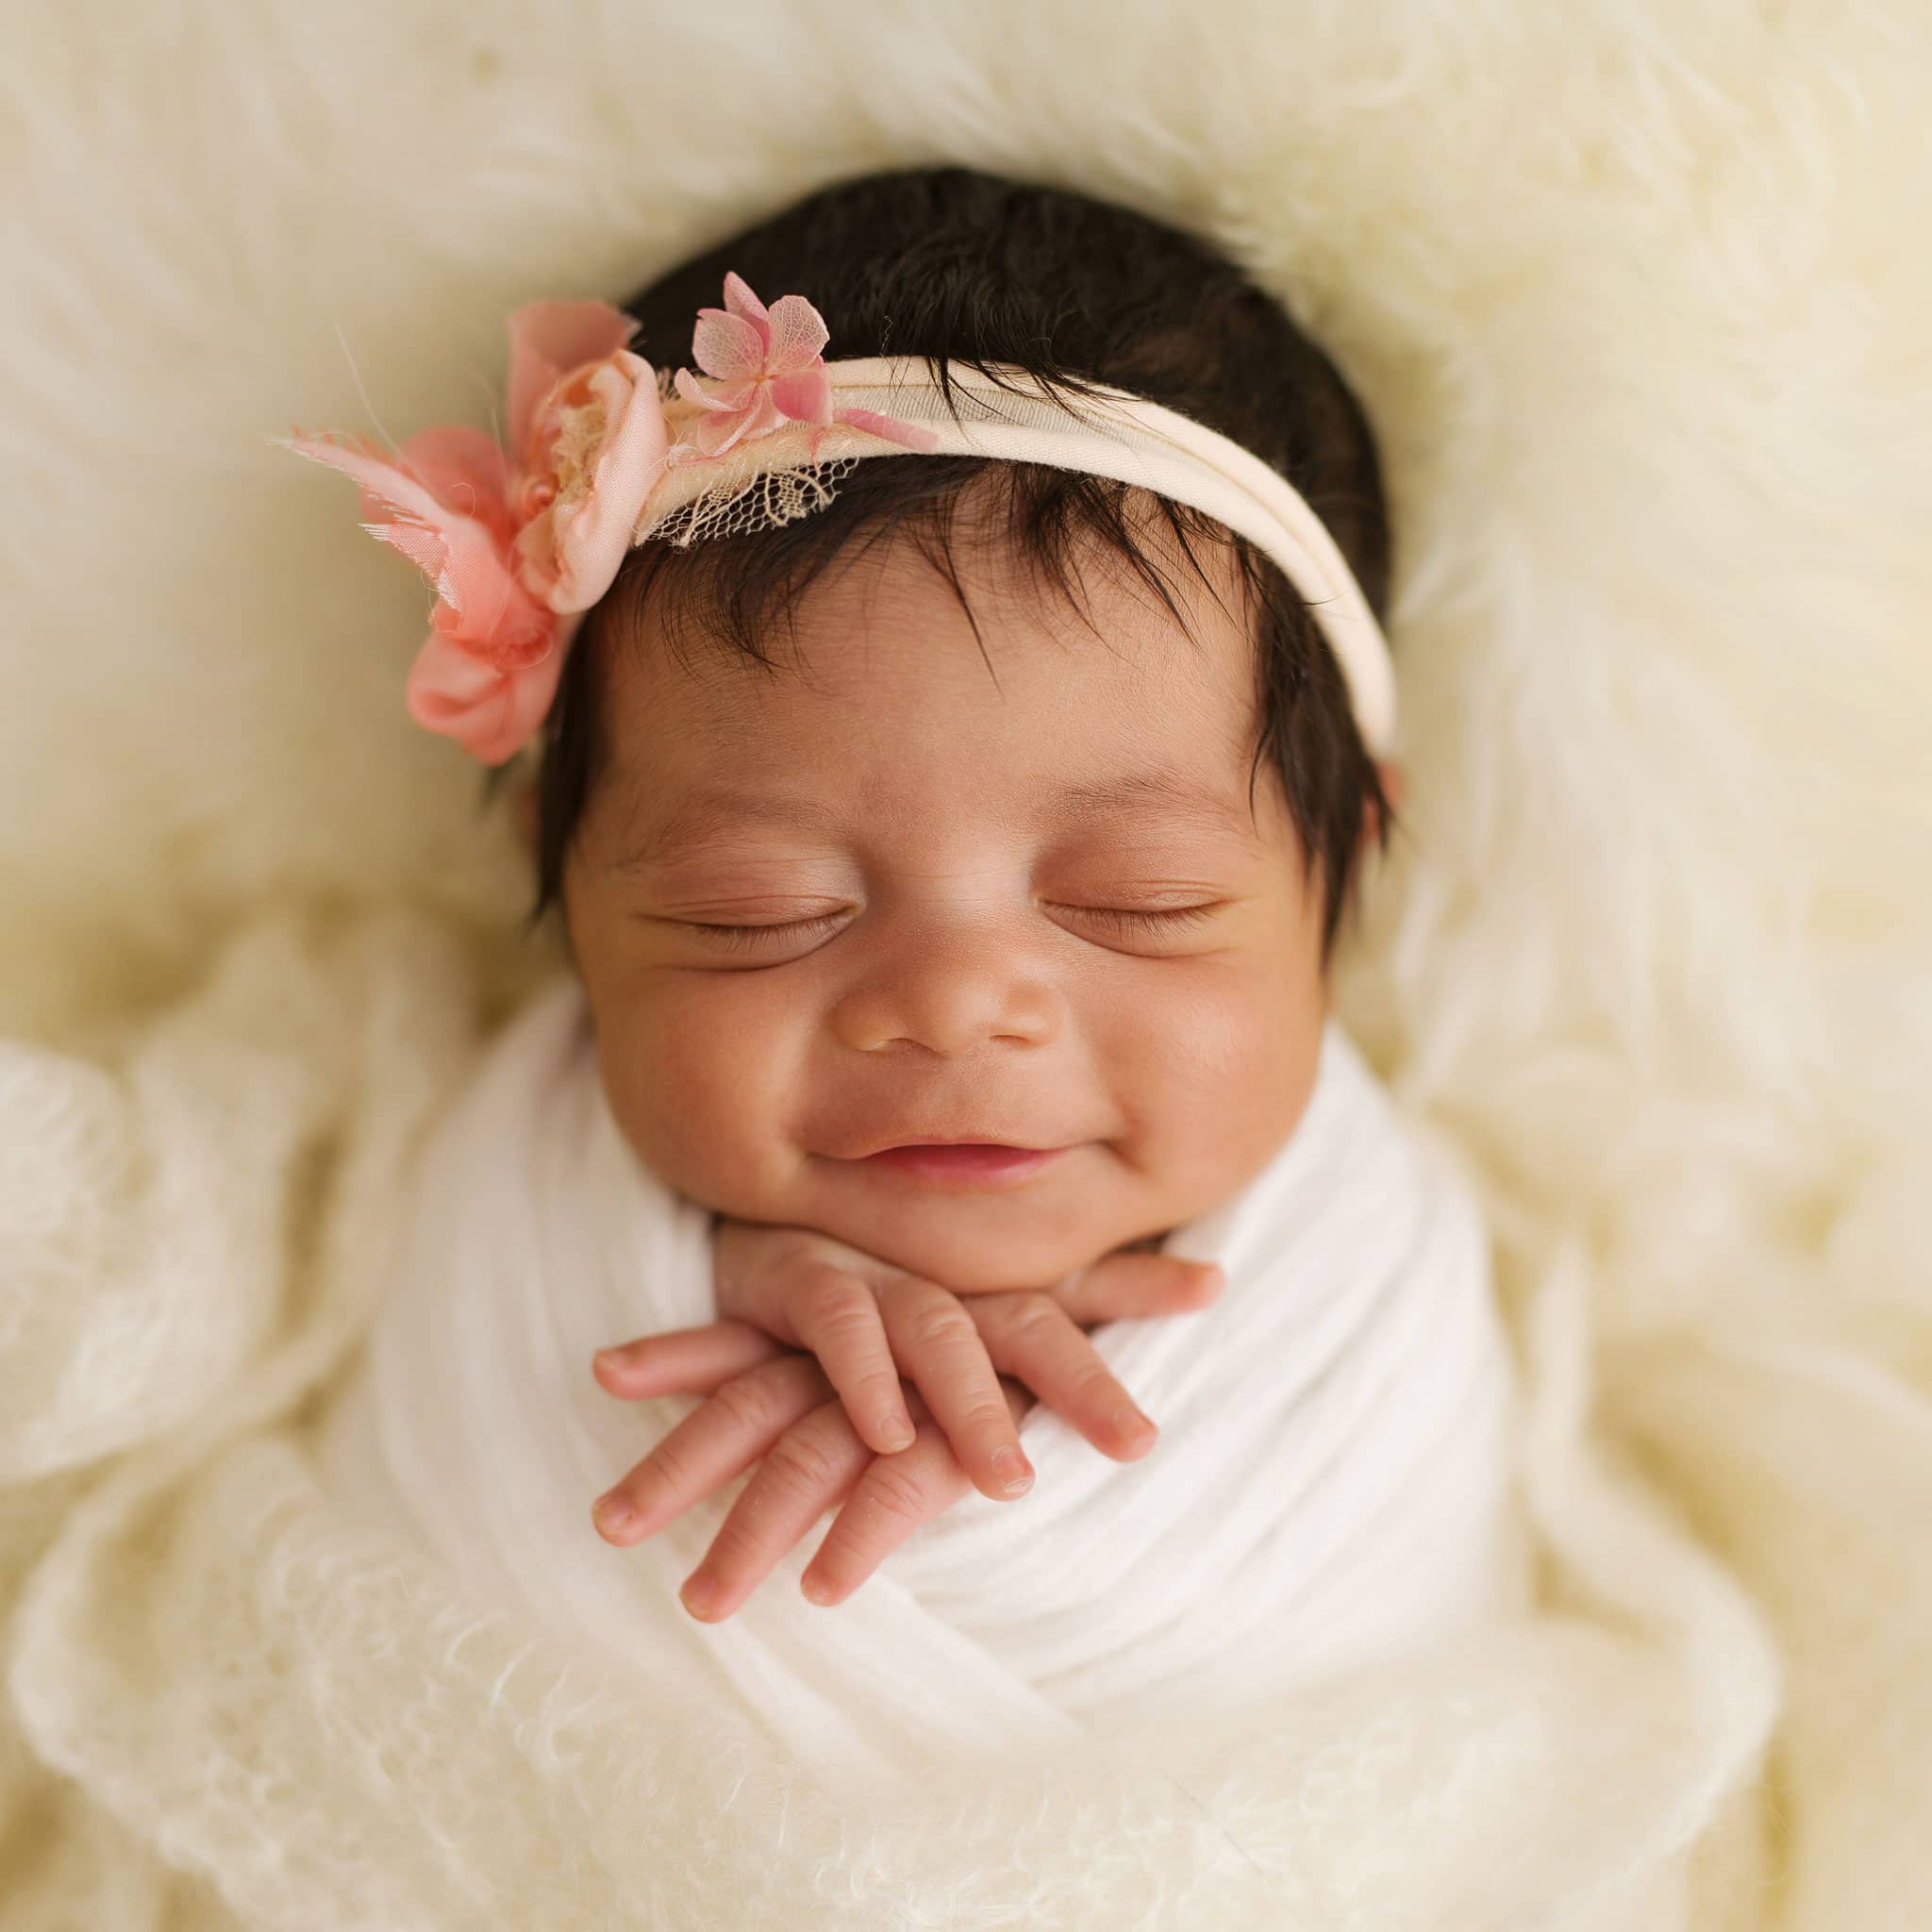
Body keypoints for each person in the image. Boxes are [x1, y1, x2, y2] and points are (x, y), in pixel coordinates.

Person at [293, 164, 1534, 1779]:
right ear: (564, 884)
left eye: (1137, 902)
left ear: (1345, 870)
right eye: (758, 910)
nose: (952, 1005)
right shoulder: (488, 1188)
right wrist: (682, 1284)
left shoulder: (1369, 1295)